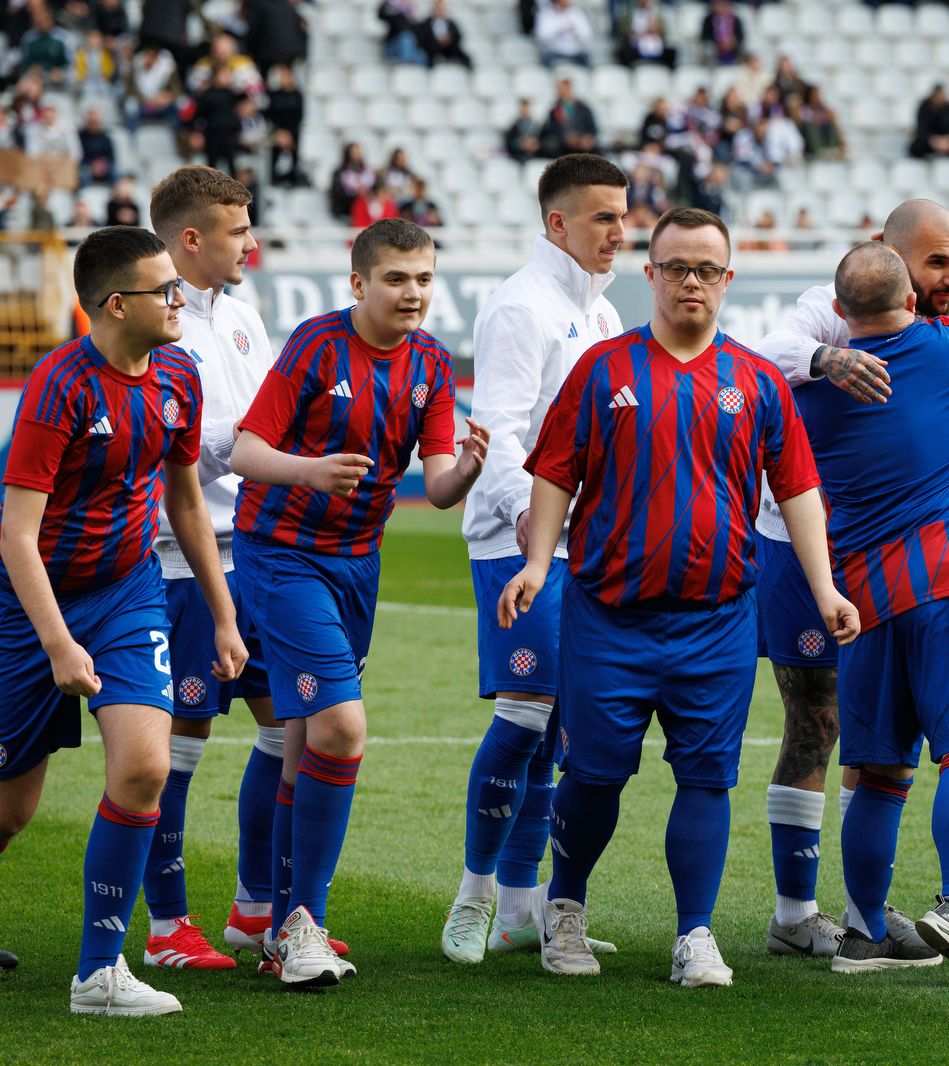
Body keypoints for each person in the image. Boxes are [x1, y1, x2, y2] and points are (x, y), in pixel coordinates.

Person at [496, 207, 858, 987]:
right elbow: (556, 470)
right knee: (593, 774)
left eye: (707, 269)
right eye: (675, 267)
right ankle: (565, 906)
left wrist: (826, 587)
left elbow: (796, 490)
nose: (691, 281)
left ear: (727, 280)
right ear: (651, 274)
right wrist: (534, 564)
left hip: (718, 622)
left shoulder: (758, 380)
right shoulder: (602, 369)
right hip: (608, 618)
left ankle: (694, 933)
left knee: (706, 778)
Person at [753, 200, 949, 959]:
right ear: (909, 290)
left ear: (840, 314)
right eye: (938, 265)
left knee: (876, 770)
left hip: (857, 600)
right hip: (948, 579)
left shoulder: (804, 397)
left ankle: (865, 927)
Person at [230, 219, 489, 987]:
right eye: (396, 279)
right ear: (359, 285)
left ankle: (274, 921)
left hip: (357, 565)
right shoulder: (316, 345)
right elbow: (245, 451)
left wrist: (469, 469)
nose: (412, 293)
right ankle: (304, 921)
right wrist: (310, 472)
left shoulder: (433, 363)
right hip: (281, 555)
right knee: (341, 729)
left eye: (422, 279)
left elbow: (436, 486)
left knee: (305, 739)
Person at [0, 226, 247, 1013]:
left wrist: (222, 614)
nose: (181, 299)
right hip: (27, 601)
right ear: (116, 304)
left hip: (129, 590)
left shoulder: (178, 371)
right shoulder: (57, 386)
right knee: (10, 809)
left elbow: (184, 499)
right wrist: (56, 642)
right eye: (165, 290)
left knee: (143, 767)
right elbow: (15, 533)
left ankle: (99, 972)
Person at [441, 154, 630, 965]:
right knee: (523, 714)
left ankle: (523, 909)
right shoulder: (521, 307)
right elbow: (503, 427)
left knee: (557, 726)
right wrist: (528, 516)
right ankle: (473, 896)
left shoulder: (606, 314)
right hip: (516, 536)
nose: (619, 232)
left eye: (623, 217)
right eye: (602, 218)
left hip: (580, 540)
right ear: (558, 222)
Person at [130, 167, 283, 973]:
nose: (251, 243)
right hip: (180, 561)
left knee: (291, 728)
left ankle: (256, 911)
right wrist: (283, 458)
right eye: (238, 231)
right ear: (192, 239)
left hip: (254, 550)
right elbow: (203, 444)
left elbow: (260, 423)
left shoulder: (245, 319)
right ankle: (165, 929)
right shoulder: (151, 323)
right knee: (177, 739)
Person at [538, 79, 599, 158]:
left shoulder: (583, 109)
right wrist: (566, 138)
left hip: (582, 145)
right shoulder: (554, 111)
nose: (563, 92)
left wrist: (585, 138)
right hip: (563, 148)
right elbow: (551, 131)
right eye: (561, 90)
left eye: (565, 89)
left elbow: (592, 128)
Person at [910, 85, 949, 159]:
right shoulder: (924, 107)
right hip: (929, 142)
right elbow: (921, 129)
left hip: (947, 142)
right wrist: (933, 140)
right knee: (916, 147)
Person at [536, 0, 593, 68]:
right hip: (554, 50)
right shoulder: (546, 13)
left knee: (586, 58)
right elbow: (542, 36)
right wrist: (561, 29)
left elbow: (587, 34)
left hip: (574, 50)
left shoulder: (577, 13)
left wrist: (575, 30)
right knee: (547, 59)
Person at [417, 0, 473, 68]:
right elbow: (422, 38)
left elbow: (458, 37)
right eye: (438, 8)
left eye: (441, 8)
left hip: (449, 49)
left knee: (466, 58)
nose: (439, 10)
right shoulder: (426, 24)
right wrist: (436, 41)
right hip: (432, 51)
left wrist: (449, 39)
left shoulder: (451, 24)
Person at [700, 0, 744, 66]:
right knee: (708, 48)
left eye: (723, 4)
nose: (721, 7)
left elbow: (740, 35)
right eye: (718, 4)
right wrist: (718, 42)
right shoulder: (708, 19)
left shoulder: (735, 19)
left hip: (732, 47)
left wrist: (732, 41)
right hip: (716, 47)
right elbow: (704, 36)